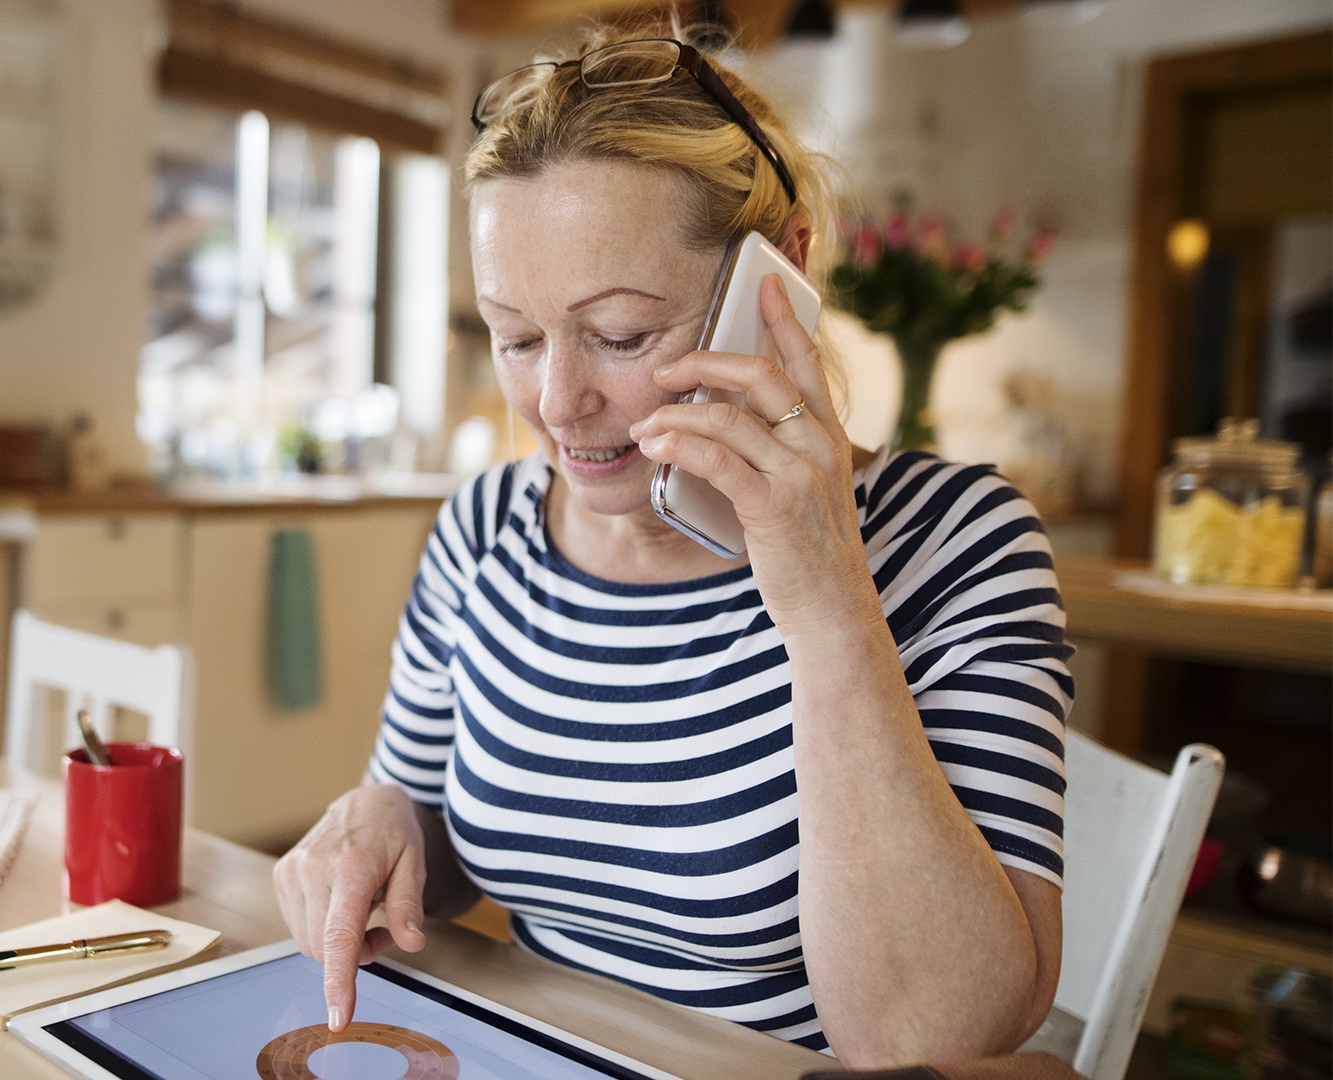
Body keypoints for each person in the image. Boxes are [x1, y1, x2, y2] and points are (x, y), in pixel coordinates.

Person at [272, 17, 1072, 1068]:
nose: (558, 403)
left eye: (620, 335)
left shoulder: (958, 541)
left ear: (776, 280)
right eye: (514, 336)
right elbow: (436, 837)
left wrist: (827, 602)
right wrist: (378, 825)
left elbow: (930, 1038)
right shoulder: (486, 529)